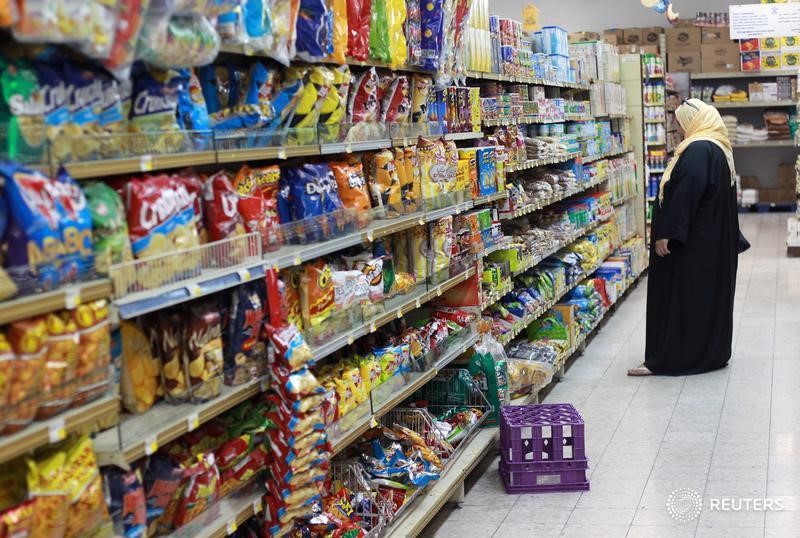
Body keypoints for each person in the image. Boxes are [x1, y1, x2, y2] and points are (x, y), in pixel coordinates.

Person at [628, 98, 748, 377]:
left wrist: (667, 233)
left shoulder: (698, 149)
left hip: (691, 247)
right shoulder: (718, 148)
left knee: (683, 299)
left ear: (694, 121)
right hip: (709, 244)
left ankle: (674, 358)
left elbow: (687, 195)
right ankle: (711, 353)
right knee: (706, 300)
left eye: (681, 124)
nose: (680, 130)